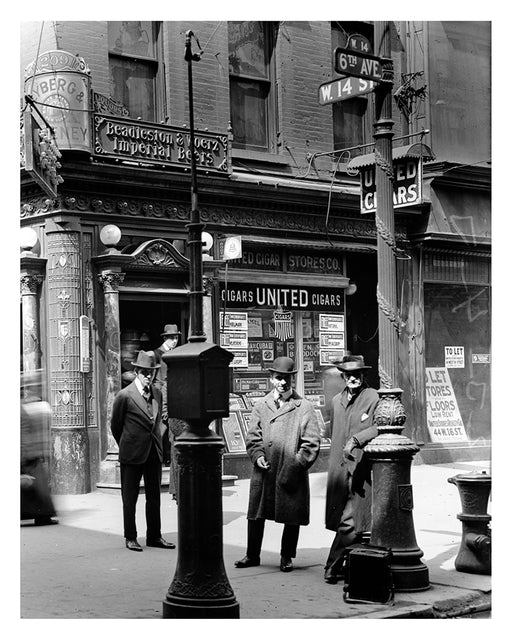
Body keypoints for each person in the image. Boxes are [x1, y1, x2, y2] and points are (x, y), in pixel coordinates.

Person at [235, 357, 321, 573]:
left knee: (290, 515)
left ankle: (286, 556)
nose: (283, 383)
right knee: (256, 513)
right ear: (271, 378)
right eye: (279, 378)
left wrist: (295, 465)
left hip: (289, 469)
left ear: (292, 380)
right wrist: (257, 455)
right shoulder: (261, 405)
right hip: (265, 470)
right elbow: (253, 437)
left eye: (287, 379)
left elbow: (311, 443)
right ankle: (252, 554)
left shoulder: (304, 407)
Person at [110, 350, 176, 552]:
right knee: (129, 498)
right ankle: (130, 536)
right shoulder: (125, 395)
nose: (149, 376)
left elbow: (157, 423)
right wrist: (127, 444)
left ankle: (154, 535)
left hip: (152, 453)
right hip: (132, 453)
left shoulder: (157, 394)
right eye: (145, 373)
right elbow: (116, 425)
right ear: (137, 372)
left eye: (152, 373)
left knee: (154, 497)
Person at [323, 354, 379, 584]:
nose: (353, 378)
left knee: (352, 520)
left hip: (362, 469)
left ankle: (333, 565)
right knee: (345, 519)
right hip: (339, 468)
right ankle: (349, 567)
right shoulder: (337, 400)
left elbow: (381, 426)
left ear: (363, 375)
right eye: (349, 375)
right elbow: (334, 431)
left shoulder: (373, 397)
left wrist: (357, 439)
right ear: (343, 376)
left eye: (357, 374)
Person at [152, 323, 185, 499]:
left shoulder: (177, 354)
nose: (174, 341)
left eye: (176, 338)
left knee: (173, 444)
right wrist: (163, 391)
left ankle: (175, 487)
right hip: (161, 401)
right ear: (165, 338)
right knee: (159, 437)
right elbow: (154, 379)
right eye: (171, 338)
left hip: (174, 401)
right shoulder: (156, 354)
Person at [20, 370, 57, 526]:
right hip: (29, 452)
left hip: (30, 452)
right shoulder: (23, 409)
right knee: (34, 487)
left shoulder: (25, 407)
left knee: (32, 487)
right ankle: (42, 516)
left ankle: (41, 515)